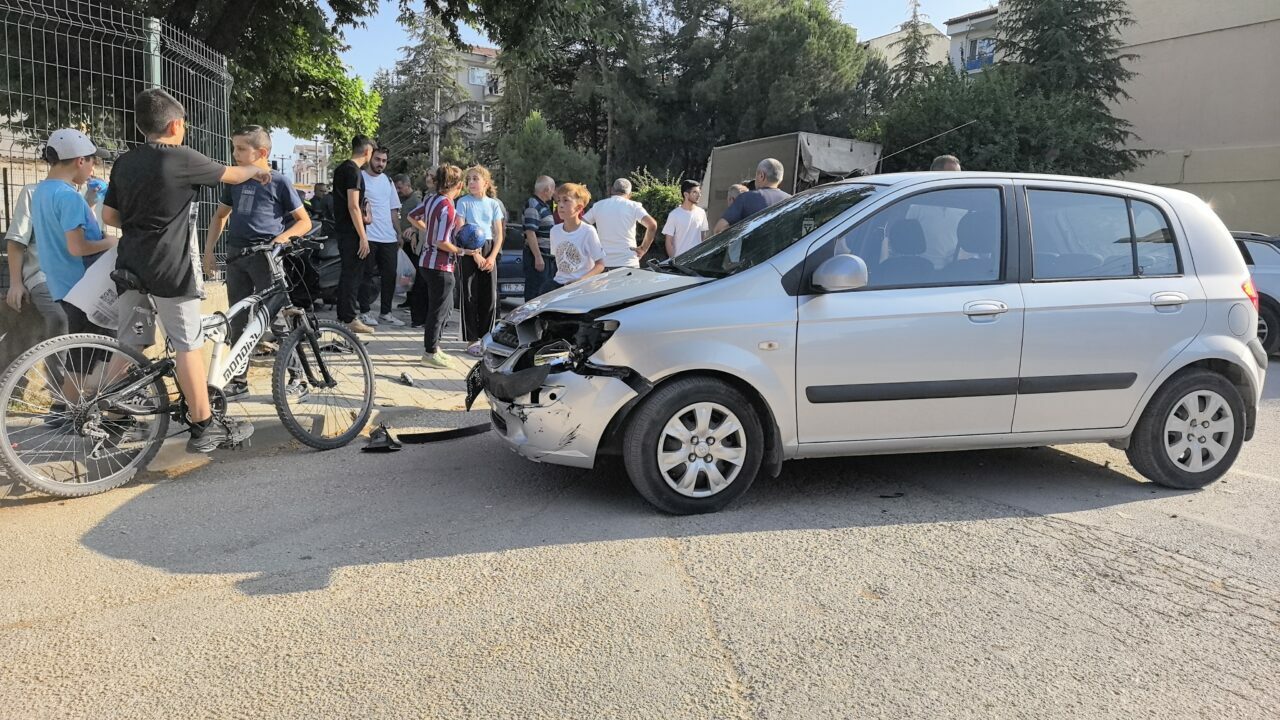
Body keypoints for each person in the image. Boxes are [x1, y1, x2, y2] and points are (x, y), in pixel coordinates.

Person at [102, 88, 271, 453]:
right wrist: (258, 168)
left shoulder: (124, 163)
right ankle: (204, 424)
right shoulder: (181, 157)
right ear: (175, 125)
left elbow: (109, 216)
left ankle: (108, 411)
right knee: (187, 345)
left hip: (129, 265)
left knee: (131, 342)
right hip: (170, 269)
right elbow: (232, 174)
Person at [203, 125, 311, 398]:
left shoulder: (279, 182)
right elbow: (220, 216)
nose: (235, 154)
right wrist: (208, 251)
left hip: (266, 258)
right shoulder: (235, 181)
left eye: (241, 148)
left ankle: (297, 377)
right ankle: (239, 380)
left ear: (261, 152)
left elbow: (304, 222)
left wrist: (281, 240)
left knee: (277, 318)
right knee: (238, 320)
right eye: (234, 147)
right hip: (236, 256)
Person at [30, 130, 115, 337]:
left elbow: (59, 230)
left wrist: (88, 204)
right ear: (80, 161)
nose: (93, 169)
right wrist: (112, 242)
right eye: (93, 162)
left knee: (80, 350)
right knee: (102, 349)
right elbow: (77, 247)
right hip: (85, 289)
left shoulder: (42, 191)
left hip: (62, 286)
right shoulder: (69, 197)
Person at [405, 164, 466, 369]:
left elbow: (411, 216)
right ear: (459, 185)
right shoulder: (448, 206)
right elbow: (442, 242)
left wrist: (427, 229)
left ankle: (434, 347)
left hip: (426, 261)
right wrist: (461, 251)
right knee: (439, 310)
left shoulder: (431, 199)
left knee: (444, 308)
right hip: (440, 264)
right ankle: (430, 352)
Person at [5, 183, 69, 340]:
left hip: (76, 279)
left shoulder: (86, 194)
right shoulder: (32, 192)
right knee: (60, 319)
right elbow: (16, 241)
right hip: (43, 276)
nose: (92, 171)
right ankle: (58, 357)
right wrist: (15, 284)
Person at [454, 165, 504, 356]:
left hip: (488, 247)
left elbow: (499, 234)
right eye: (469, 180)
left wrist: (491, 257)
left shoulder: (493, 204)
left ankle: (486, 337)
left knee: (489, 296)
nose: (472, 183)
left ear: (486, 182)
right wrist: (475, 254)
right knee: (469, 295)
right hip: (469, 249)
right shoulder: (463, 202)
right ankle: (471, 339)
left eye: (476, 179)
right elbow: (460, 229)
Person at [331, 135, 376, 334]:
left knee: (348, 273)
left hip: (343, 229)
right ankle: (349, 317)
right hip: (352, 231)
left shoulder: (341, 168)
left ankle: (344, 315)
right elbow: (353, 205)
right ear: (367, 151)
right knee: (353, 274)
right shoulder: (354, 171)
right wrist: (363, 236)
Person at [357, 146, 403, 327]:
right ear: (370, 158)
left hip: (388, 238)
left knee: (390, 276)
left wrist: (398, 233)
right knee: (366, 275)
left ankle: (386, 312)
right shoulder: (360, 177)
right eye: (377, 159)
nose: (380, 164)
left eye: (384, 161)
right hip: (368, 236)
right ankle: (364, 312)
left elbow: (393, 210)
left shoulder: (387, 180)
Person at [583, 178, 658, 271]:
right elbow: (652, 225)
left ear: (612, 190)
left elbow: (581, 225)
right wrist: (643, 249)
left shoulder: (598, 206)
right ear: (630, 194)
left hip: (603, 263)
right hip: (628, 262)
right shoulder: (634, 206)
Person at [549, 183, 605, 290]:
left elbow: (600, 265)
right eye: (558, 201)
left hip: (581, 287)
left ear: (579, 208)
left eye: (566, 200)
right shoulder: (554, 231)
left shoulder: (588, 231)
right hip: (558, 285)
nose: (560, 205)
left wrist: (580, 280)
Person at [713, 158, 791, 233]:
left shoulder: (746, 198)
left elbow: (719, 229)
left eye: (756, 175)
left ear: (761, 176)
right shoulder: (791, 201)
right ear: (780, 179)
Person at [393, 173, 425, 323]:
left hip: (413, 242)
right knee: (406, 273)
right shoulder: (403, 200)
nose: (398, 191)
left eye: (400, 187)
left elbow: (421, 219)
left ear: (407, 185)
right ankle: (408, 298)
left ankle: (413, 300)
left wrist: (414, 232)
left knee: (413, 272)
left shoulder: (416, 200)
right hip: (404, 241)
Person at [521, 175, 557, 300]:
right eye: (553, 189)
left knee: (544, 292)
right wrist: (538, 257)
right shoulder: (533, 206)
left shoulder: (543, 206)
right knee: (536, 293)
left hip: (546, 256)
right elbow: (530, 232)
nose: (553, 192)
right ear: (547, 189)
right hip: (538, 257)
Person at [663, 179, 710, 257]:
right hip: (680, 260)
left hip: (697, 259)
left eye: (699, 192)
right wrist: (674, 260)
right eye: (695, 192)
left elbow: (702, 236)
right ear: (686, 194)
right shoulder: (674, 215)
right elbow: (668, 241)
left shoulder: (701, 213)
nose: (699, 195)